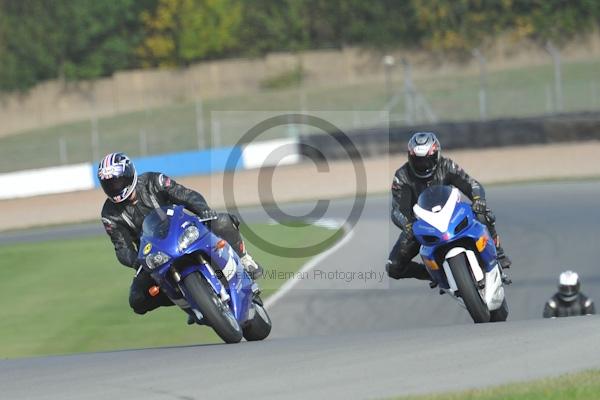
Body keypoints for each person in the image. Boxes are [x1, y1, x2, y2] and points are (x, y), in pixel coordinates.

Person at [98, 152, 262, 322]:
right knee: (137, 299)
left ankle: (244, 260)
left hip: (183, 231)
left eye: (118, 180)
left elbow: (185, 195)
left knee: (221, 221)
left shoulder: (154, 181)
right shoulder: (110, 215)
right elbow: (121, 247)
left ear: (130, 173)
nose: (115, 187)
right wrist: (136, 261)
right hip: (154, 255)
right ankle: (190, 300)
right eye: (109, 184)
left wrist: (202, 209)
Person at [386, 132, 512, 282]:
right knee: (393, 267)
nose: (423, 165)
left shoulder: (446, 165)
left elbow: (471, 184)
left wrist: (478, 199)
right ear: (410, 157)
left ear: (436, 155)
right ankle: (433, 274)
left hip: (453, 215)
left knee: (483, 213)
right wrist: (407, 225)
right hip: (422, 225)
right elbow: (398, 209)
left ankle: (498, 253)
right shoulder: (402, 177)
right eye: (418, 161)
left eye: (427, 160)